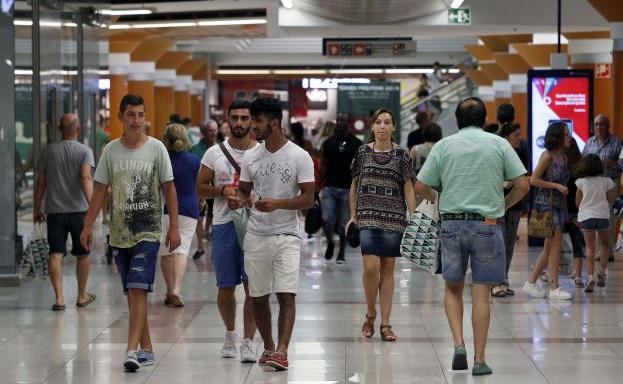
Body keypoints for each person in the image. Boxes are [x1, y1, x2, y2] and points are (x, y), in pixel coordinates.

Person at [415, 97, 529, 376]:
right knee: (481, 293)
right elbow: (523, 184)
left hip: (452, 225)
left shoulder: (443, 145)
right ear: (483, 118)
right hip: (487, 225)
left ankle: (457, 345)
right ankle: (479, 359)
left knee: (453, 288)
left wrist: (438, 200)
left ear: (457, 120)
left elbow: (420, 186)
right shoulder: (499, 144)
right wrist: (504, 205)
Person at [80, 94, 181, 371]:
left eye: (140, 114)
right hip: (119, 232)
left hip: (148, 231)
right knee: (133, 292)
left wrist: (173, 226)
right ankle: (147, 348)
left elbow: (169, 188)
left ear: (145, 117)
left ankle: (131, 349)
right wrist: (88, 225)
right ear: (121, 118)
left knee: (138, 288)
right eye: (131, 115)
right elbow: (100, 189)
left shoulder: (157, 149)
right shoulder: (110, 151)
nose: (136, 120)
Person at [231, 97, 315, 371]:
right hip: (256, 233)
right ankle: (268, 347)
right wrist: (238, 198)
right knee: (257, 295)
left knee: (286, 294)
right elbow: (244, 190)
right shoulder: (251, 156)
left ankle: (282, 350)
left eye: (257, 121)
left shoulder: (299, 156)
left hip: (287, 234)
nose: (253, 126)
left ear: (274, 123)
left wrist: (278, 203)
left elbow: (308, 199)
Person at [196, 100, 259, 362]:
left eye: (245, 118)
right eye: (235, 118)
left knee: (253, 286)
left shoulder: (263, 153)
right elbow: (200, 187)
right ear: (227, 120)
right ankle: (230, 334)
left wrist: (252, 198)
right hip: (224, 225)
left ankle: (248, 341)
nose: (240, 123)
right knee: (225, 286)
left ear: (252, 121)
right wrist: (222, 191)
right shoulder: (214, 153)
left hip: (256, 226)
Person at [350, 108, 417, 343]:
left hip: (394, 217)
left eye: (387, 122)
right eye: (378, 122)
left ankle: (385, 323)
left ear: (394, 127)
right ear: (372, 126)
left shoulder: (402, 155)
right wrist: (353, 215)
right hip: (367, 216)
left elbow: (408, 187)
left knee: (388, 270)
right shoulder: (362, 153)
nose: (382, 126)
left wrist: (414, 215)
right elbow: (355, 185)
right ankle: (370, 314)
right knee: (370, 268)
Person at [33, 113, 96, 311]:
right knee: (83, 254)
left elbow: (41, 183)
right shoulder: (85, 151)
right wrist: (93, 207)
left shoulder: (48, 151)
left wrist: (37, 208)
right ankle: (81, 295)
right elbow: (86, 178)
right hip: (80, 212)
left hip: (55, 212)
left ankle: (59, 298)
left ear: (59, 130)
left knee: (56, 253)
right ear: (78, 129)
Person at [522, 122, 573, 300]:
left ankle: (530, 283)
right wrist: (556, 186)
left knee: (548, 248)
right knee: (555, 247)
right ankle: (554, 287)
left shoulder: (564, 157)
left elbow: (564, 186)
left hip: (558, 206)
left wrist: (565, 210)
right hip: (546, 205)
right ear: (558, 136)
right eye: (566, 134)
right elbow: (534, 180)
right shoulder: (547, 157)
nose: (569, 137)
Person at [158, 124, 201, 307]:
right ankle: (176, 290)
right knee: (181, 251)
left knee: (166, 252)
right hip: (188, 211)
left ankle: (169, 291)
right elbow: (198, 185)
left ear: (165, 139)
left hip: (164, 210)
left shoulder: (161, 159)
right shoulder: (194, 160)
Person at [490, 122, 527, 297]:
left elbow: (524, 177)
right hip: (498, 203)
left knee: (510, 243)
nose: (519, 138)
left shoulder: (519, 152)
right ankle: (495, 281)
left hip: (515, 203)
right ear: (506, 137)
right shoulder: (497, 153)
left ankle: (503, 278)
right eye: (516, 135)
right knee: (499, 242)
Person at [321, 115, 362, 263]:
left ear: (348, 124)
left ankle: (342, 252)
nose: (341, 124)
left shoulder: (357, 143)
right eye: (339, 121)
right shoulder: (328, 142)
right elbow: (323, 164)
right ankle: (331, 243)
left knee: (345, 223)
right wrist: (319, 184)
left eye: (344, 121)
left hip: (348, 188)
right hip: (330, 186)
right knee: (326, 219)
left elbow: (359, 167)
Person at [582, 115, 622, 262]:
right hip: (592, 184)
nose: (599, 127)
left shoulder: (617, 142)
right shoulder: (589, 142)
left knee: (609, 217)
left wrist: (612, 164)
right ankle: (597, 250)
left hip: (610, 182)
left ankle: (608, 251)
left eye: (602, 124)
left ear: (608, 126)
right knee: (594, 215)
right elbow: (583, 161)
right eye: (596, 124)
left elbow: (622, 164)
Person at [575, 154, 615, 292]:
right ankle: (602, 271)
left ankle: (590, 277)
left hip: (587, 217)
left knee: (590, 248)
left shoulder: (581, 182)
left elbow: (577, 202)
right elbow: (610, 198)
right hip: (603, 215)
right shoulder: (607, 181)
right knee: (605, 245)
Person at [189, 119, 218, 259]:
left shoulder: (221, 148)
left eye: (214, 130)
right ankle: (200, 246)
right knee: (198, 218)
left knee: (214, 217)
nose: (213, 133)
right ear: (204, 132)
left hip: (216, 190)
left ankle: (210, 237)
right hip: (199, 189)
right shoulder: (195, 149)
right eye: (210, 130)